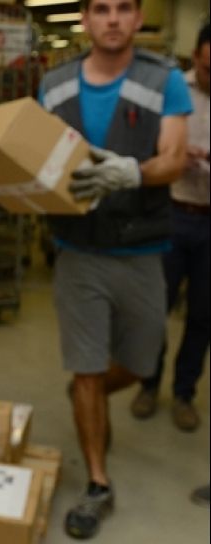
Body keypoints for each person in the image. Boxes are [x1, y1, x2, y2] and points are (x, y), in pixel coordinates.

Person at [38, 0, 192, 539]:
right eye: (101, 8)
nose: (112, 19)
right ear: (84, 18)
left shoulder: (164, 79)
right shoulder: (54, 84)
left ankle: (91, 395)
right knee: (86, 367)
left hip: (140, 249)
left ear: (138, 17)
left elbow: (174, 158)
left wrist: (132, 171)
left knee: (141, 361)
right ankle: (98, 482)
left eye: (124, 7)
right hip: (77, 249)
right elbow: (37, 158)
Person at [130, 24, 210, 432]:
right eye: (209, 68)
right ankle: (148, 384)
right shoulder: (173, 91)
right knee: (155, 309)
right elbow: (145, 147)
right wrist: (178, 156)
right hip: (173, 214)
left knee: (203, 314)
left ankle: (184, 393)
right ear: (195, 57)